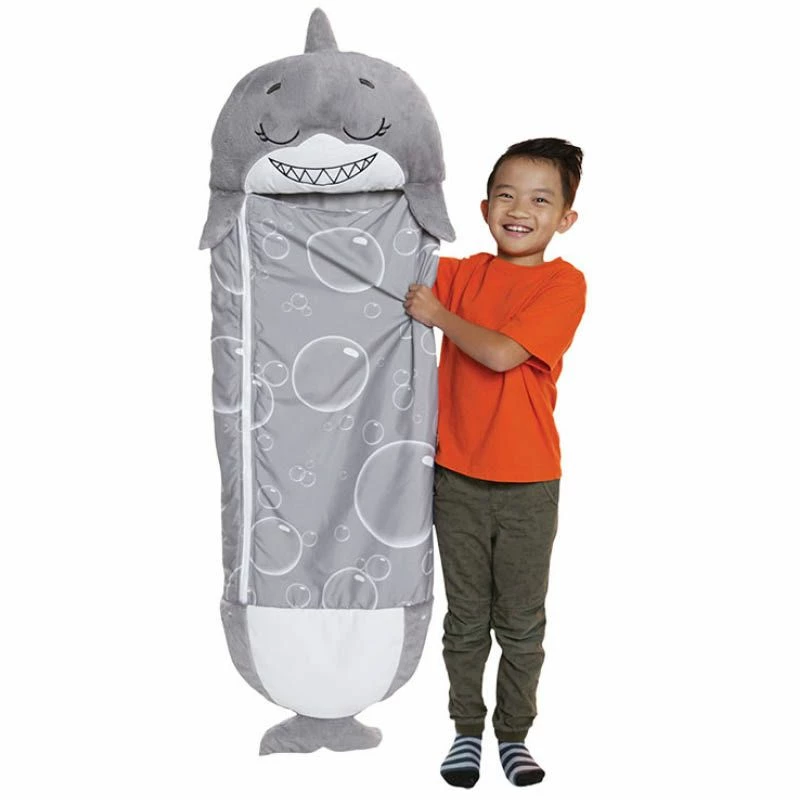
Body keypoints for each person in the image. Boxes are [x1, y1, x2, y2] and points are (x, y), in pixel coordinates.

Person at [404, 138, 587, 788]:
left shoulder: (563, 283)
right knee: (465, 620)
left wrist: (439, 317)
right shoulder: (461, 274)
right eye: (506, 196)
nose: (520, 210)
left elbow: (504, 354)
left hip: (528, 484)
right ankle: (465, 731)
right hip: (455, 478)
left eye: (540, 200)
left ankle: (514, 735)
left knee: (519, 623)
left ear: (565, 218)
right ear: (484, 208)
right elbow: (392, 252)